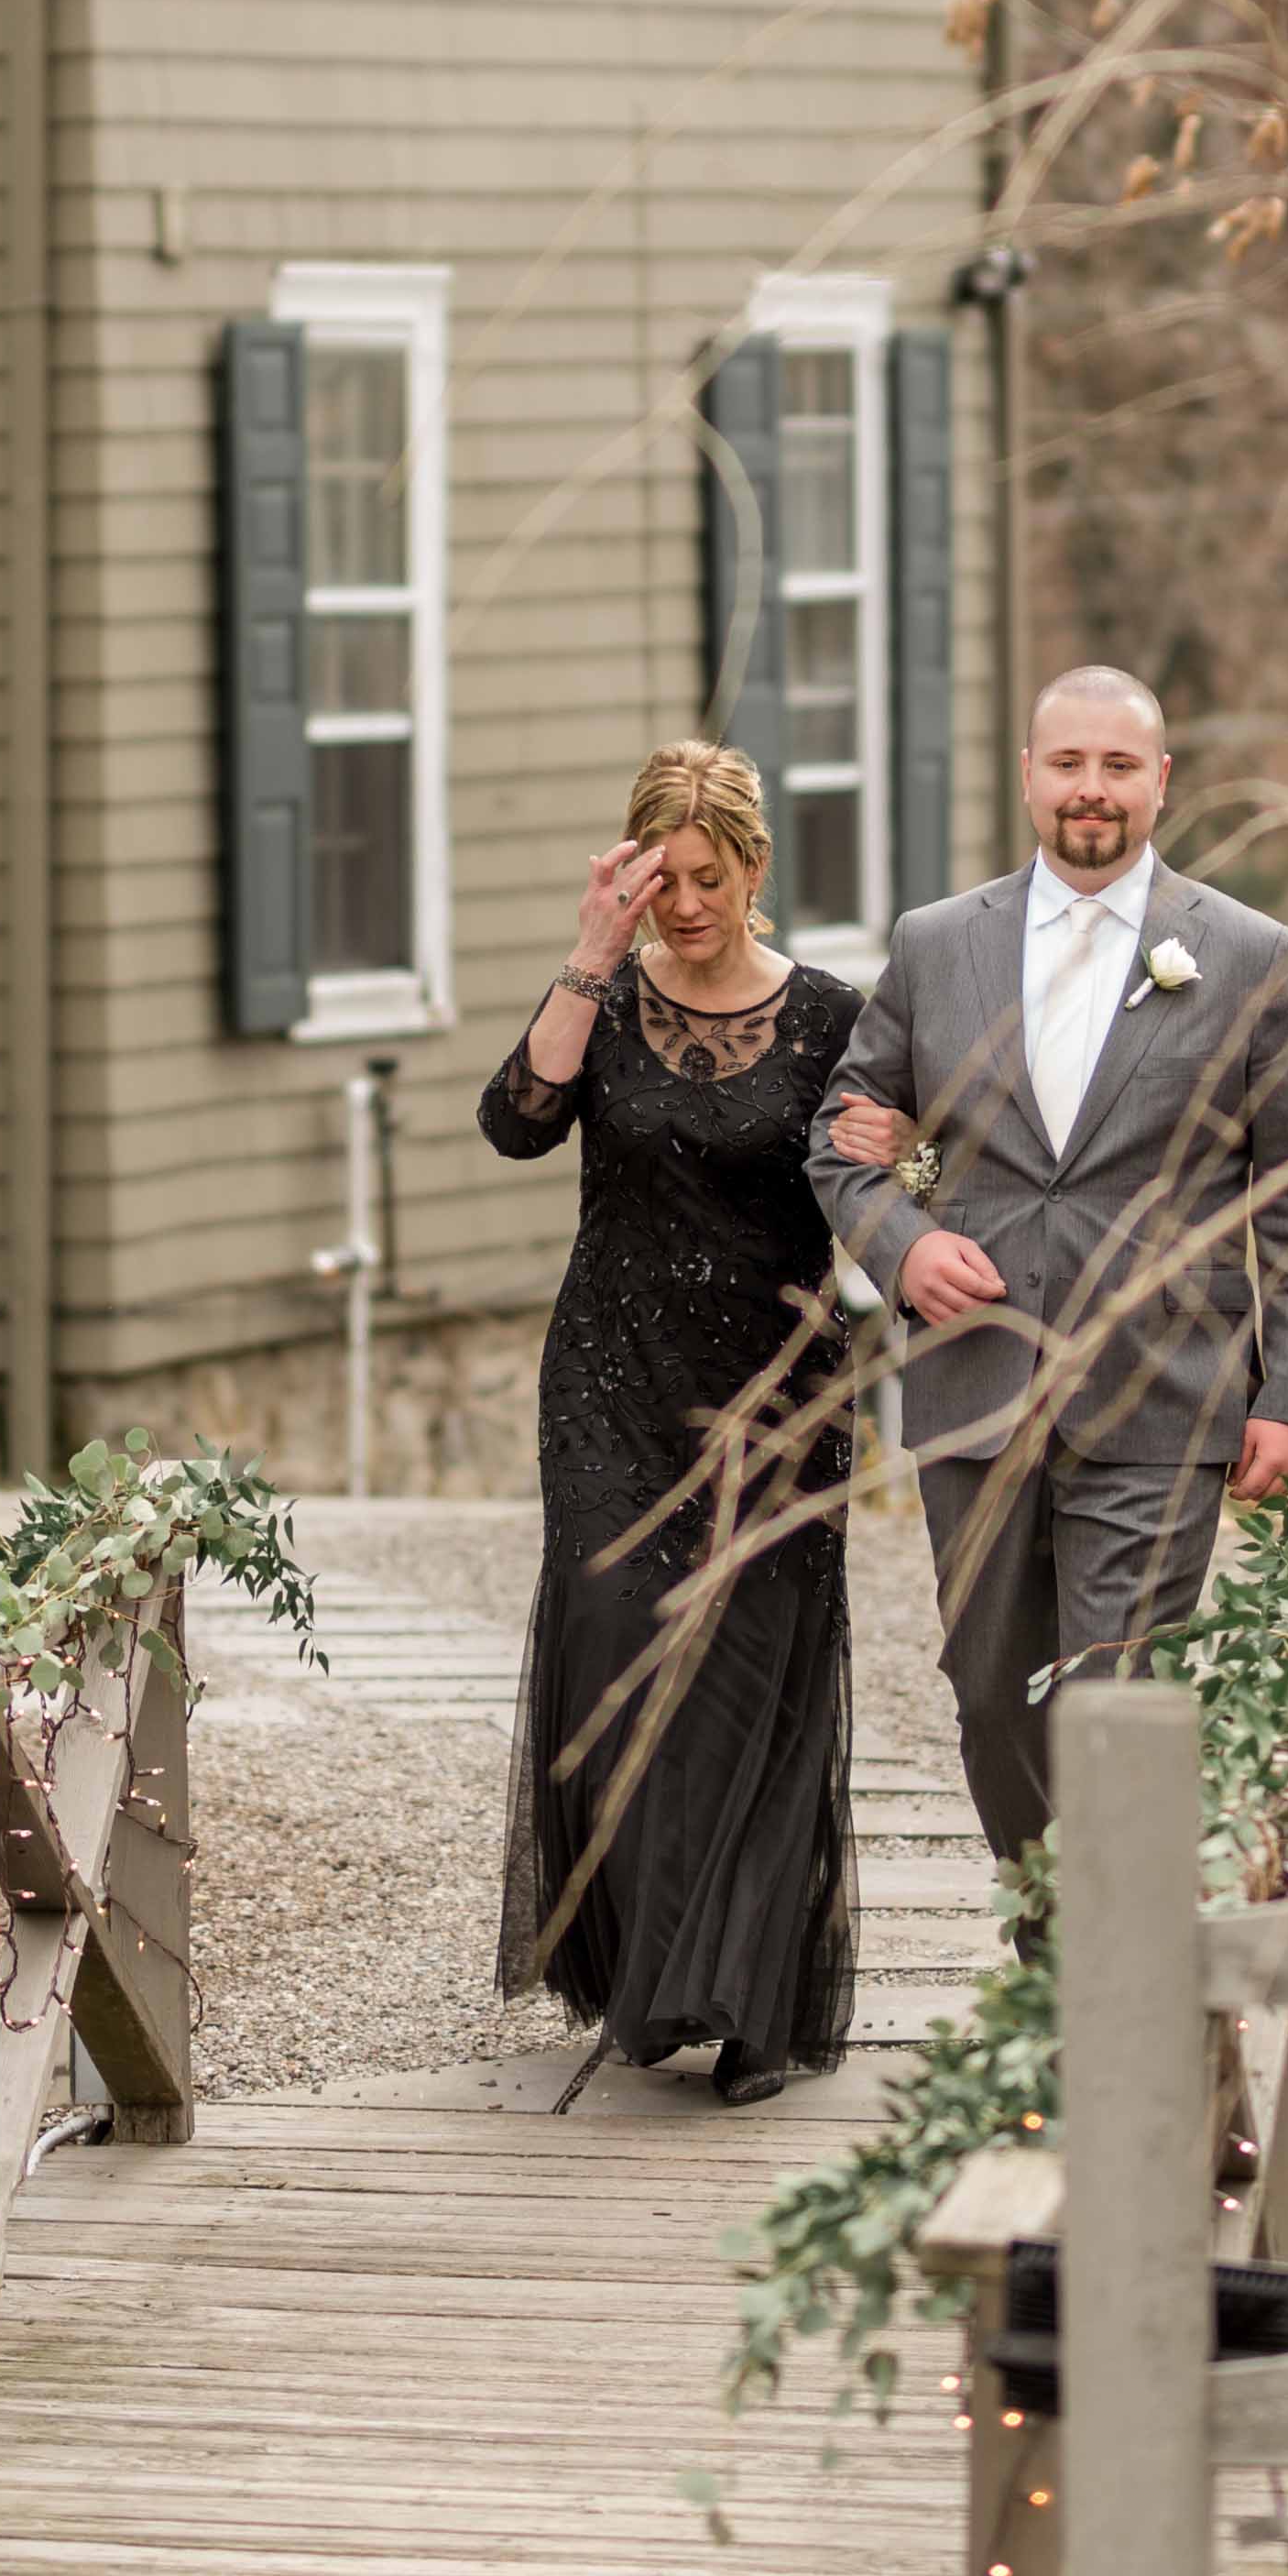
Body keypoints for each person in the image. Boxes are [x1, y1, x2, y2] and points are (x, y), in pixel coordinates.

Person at [806, 663, 1288, 1868]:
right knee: (993, 1692)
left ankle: (1115, 2000)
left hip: (1164, 1396)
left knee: (1119, 1699)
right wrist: (902, 1245)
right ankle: (1050, 1939)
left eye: (1118, 766)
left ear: (1158, 782)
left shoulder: (1247, 956)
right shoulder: (937, 945)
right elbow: (847, 1136)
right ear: (1028, 777)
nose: (1091, 790)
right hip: (975, 1389)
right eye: (1068, 763)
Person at [475, 740, 862, 2109]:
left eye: (707, 878)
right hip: (609, 1383)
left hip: (776, 1394)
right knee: (618, 1654)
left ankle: (750, 1993)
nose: (685, 904)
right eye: (661, 880)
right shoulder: (606, 996)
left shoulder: (830, 1018)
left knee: (752, 1677)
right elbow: (517, 1124)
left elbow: (888, 1174)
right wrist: (590, 950)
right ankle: (656, 1966)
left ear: (755, 869)